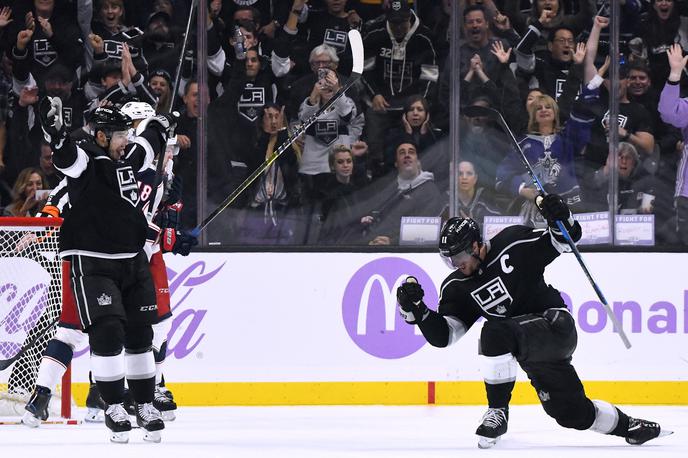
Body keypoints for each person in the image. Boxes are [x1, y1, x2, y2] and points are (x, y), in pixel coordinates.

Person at [395, 194, 672, 448]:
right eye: (450, 260)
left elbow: (564, 240)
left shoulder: (513, 243)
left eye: (461, 256)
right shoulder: (456, 286)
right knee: (569, 413)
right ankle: (631, 426)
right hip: (528, 349)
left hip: (554, 326)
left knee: (494, 331)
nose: (457, 264)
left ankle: (497, 411)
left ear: (477, 244)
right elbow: (445, 336)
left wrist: (561, 217)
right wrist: (418, 311)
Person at [36, 97, 177, 443]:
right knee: (108, 332)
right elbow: (68, 158)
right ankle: (113, 404)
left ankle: (144, 404)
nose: (125, 139)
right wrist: (57, 138)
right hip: (94, 261)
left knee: (142, 334)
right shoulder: (88, 159)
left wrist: (162, 123)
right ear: (101, 136)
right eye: (119, 135)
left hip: (132, 260)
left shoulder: (127, 156)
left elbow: (147, 143)